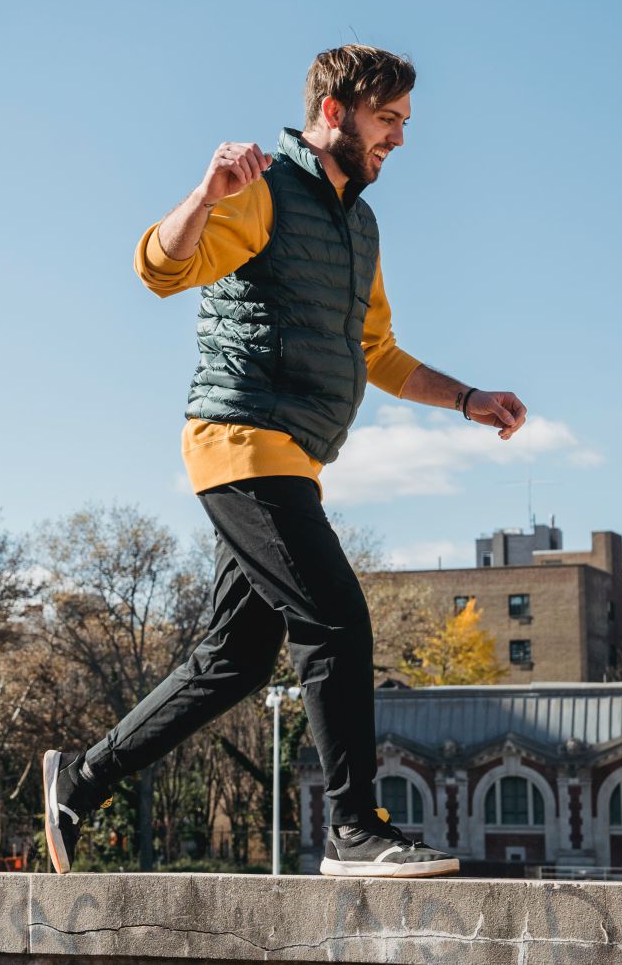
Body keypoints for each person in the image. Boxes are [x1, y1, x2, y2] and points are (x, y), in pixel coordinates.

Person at [42, 44, 527, 878]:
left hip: (292, 457)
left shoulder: (359, 223)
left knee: (231, 661)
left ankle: (82, 778)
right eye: (388, 120)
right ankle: (353, 829)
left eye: (406, 124)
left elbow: (379, 351)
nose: (400, 140)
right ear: (334, 111)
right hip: (242, 437)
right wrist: (205, 192)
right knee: (335, 618)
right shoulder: (263, 190)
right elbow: (160, 268)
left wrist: (466, 396)